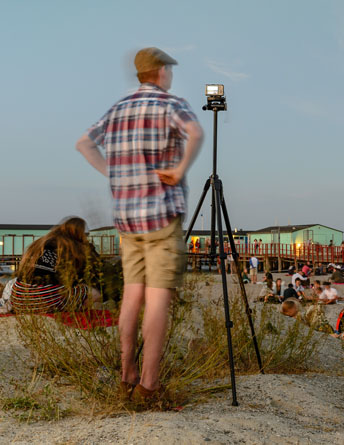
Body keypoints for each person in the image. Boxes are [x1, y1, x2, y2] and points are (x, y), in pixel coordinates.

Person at [76, 47, 203, 405]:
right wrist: (178, 171)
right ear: (161, 71)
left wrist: (111, 172)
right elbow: (195, 133)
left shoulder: (117, 109)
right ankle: (149, 385)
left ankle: (126, 373)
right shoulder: (171, 104)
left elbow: (84, 143)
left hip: (127, 218)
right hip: (161, 214)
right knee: (158, 297)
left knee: (132, 293)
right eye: (169, 70)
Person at [9, 217, 103, 313]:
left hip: (18, 298)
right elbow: (81, 275)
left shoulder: (39, 243)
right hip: (44, 300)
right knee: (95, 293)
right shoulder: (72, 247)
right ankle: (82, 318)